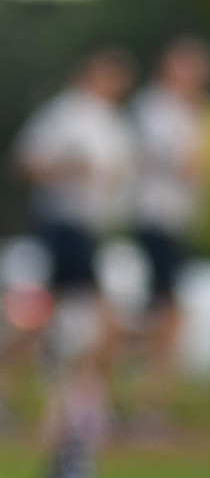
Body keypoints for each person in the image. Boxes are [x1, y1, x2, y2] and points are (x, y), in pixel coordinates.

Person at [13, 49, 135, 421]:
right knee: (91, 317)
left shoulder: (111, 122)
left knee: (51, 319)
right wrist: (67, 168)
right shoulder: (64, 114)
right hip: (63, 227)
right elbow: (27, 163)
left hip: (88, 229)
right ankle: (87, 400)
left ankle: (74, 397)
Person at [128, 35, 210, 429]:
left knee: (166, 313)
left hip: (174, 221)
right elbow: (187, 166)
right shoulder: (158, 107)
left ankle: (148, 399)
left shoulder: (186, 111)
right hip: (156, 219)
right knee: (168, 314)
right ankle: (147, 403)